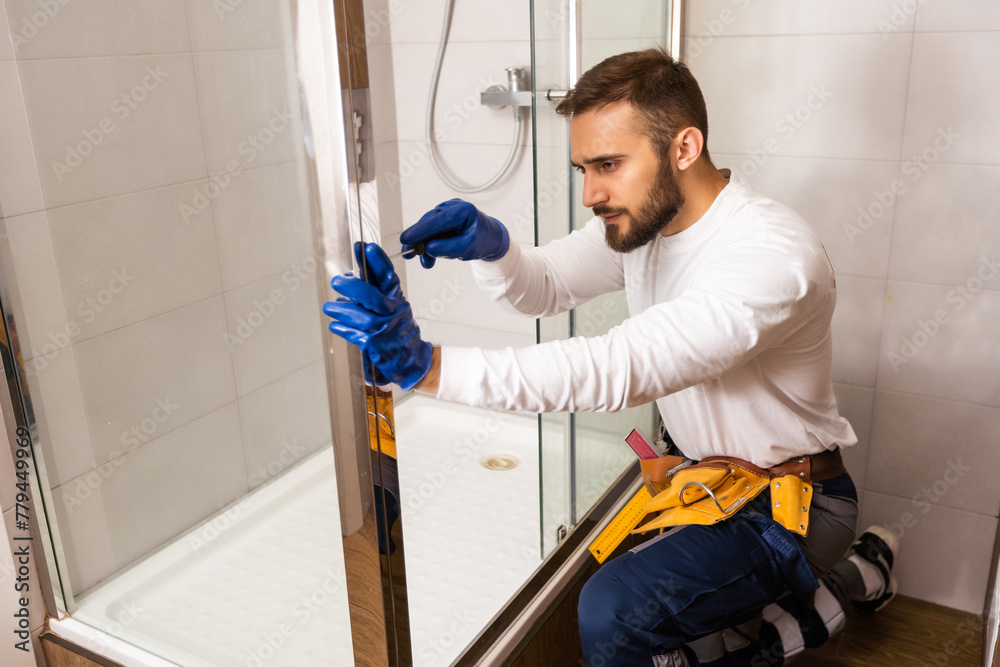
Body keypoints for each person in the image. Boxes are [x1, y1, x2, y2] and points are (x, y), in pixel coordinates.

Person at [324, 48, 898, 666]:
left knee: (615, 609)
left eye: (609, 165)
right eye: (583, 169)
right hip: (704, 486)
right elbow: (544, 285)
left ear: (684, 148)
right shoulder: (648, 226)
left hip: (791, 507)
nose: (590, 193)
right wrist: (495, 250)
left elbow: (619, 367)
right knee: (687, 632)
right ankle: (844, 588)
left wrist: (429, 368)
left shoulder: (770, 255)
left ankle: (828, 591)